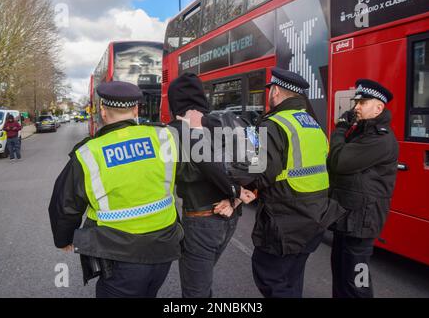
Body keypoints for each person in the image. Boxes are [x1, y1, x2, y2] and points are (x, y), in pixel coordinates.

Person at [48, 81, 183, 298]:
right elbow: (188, 172)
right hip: (164, 247)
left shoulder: (89, 152)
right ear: (136, 109)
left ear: (102, 110)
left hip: (119, 254)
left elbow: (65, 203)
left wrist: (64, 239)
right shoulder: (164, 137)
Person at [247, 68, 345, 298]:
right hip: (314, 218)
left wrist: (239, 177)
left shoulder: (272, 124)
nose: (269, 94)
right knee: (291, 278)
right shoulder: (313, 125)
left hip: (284, 221)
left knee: (269, 276)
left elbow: (260, 173)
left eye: (270, 90)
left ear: (277, 91)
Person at [167, 73, 256, 298]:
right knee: (202, 285)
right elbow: (257, 166)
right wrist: (235, 199)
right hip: (230, 216)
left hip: (200, 221)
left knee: (195, 292)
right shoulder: (225, 122)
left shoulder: (173, 132)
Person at [328, 79, 399, 298]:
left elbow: (339, 162)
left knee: (357, 281)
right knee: (340, 273)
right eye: (356, 101)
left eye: (363, 102)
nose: (356, 106)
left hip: (362, 222)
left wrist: (340, 129)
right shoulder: (363, 131)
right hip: (349, 216)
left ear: (379, 107)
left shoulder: (380, 138)